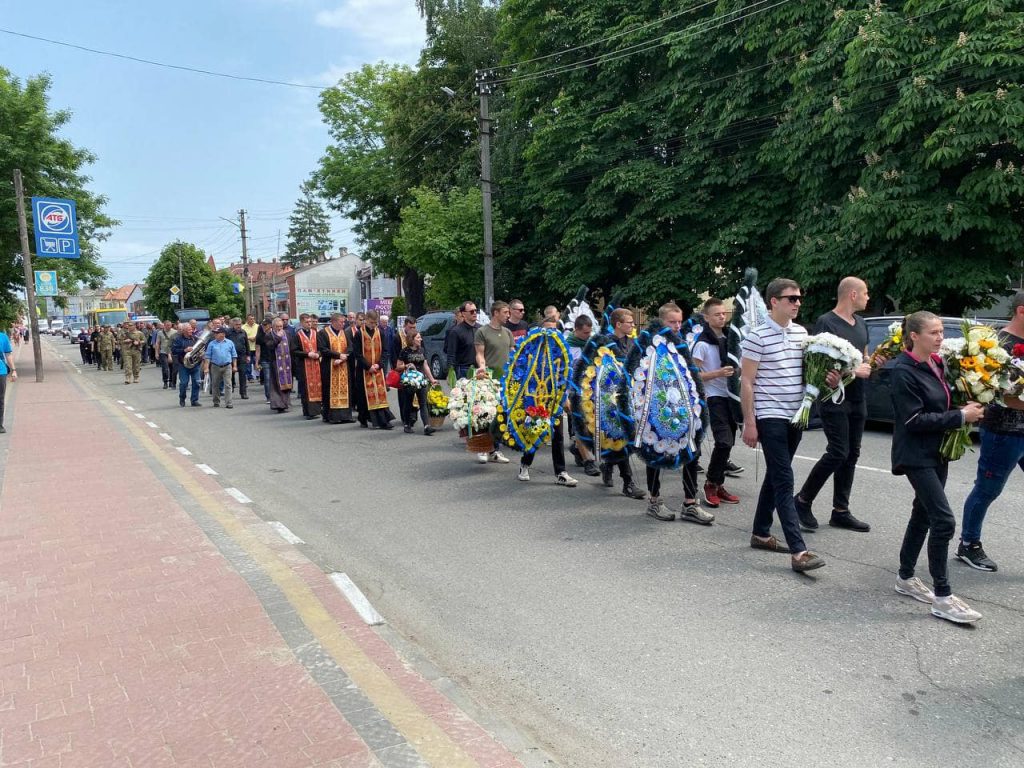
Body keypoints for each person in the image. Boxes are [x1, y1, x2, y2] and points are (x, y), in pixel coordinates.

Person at [890, 311, 985, 623]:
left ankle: (905, 578)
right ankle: (943, 597)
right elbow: (913, 420)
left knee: (923, 514)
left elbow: (940, 403)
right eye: (933, 332)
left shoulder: (937, 362)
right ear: (914, 336)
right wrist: (960, 417)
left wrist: (964, 407)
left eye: (941, 331)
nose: (940, 337)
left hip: (937, 452)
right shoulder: (903, 371)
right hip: (915, 454)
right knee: (943, 522)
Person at [741, 278, 825, 573]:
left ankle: (760, 533)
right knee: (784, 479)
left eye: (799, 298)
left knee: (777, 474)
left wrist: (828, 377)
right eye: (791, 298)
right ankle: (799, 551)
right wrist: (749, 422)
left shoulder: (802, 333)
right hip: (770, 414)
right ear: (774, 301)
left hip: (795, 414)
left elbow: (807, 371)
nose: (797, 303)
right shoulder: (757, 336)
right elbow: (747, 382)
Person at [793, 277, 873, 533]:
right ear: (852, 294)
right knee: (838, 451)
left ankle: (841, 511)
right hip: (833, 397)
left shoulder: (861, 323)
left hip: (857, 397)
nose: (868, 297)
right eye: (865, 293)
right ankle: (802, 500)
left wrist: (872, 362)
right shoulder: (827, 322)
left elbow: (864, 355)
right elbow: (820, 362)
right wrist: (852, 372)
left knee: (852, 454)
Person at [628, 304, 713, 524]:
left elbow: (691, 375)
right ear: (661, 321)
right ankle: (654, 500)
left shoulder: (681, 346)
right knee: (655, 452)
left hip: (682, 410)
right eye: (672, 322)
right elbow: (635, 377)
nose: (676, 326)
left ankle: (690, 503)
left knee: (691, 452)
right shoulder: (648, 345)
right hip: (654, 412)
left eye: (679, 322)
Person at [958, 291, 1024, 572]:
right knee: (988, 490)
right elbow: (996, 393)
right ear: (1021, 311)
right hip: (1003, 431)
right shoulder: (996, 344)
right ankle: (968, 544)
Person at [692, 298, 742, 508]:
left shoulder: (732, 338)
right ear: (706, 318)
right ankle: (711, 484)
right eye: (716, 314)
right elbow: (693, 375)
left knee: (729, 441)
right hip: (714, 396)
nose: (722, 317)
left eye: (723, 313)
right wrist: (718, 373)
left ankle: (718, 483)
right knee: (723, 441)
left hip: (732, 395)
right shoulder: (702, 343)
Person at [516, 318, 577, 486]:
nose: (551, 333)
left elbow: (564, 376)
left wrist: (564, 398)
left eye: (554, 330)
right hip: (535, 399)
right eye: (548, 329)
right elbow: (522, 374)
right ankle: (525, 464)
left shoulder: (560, 351)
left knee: (558, 436)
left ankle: (561, 472)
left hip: (554, 400)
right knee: (535, 433)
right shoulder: (532, 349)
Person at [594, 309, 646, 499]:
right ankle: (628, 482)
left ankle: (608, 464)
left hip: (631, 394)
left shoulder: (632, 342)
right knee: (620, 434)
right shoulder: (605, 343)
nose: (633, 325)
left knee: (624, 436)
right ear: (618, 324)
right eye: (629, 322)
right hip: (610, 396)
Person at [350, 310, 395, 429]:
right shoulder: (359, 334)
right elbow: (357, 353)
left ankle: (382, 420)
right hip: (364, 370)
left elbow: (385, 351)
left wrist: (379, 365)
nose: (373, 325)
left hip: (377, 369)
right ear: (366, 320)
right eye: (371, 322)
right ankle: (364, 418)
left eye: (375, 323)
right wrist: (368, 366)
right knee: (363, 396)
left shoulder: (380, 333)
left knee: (380, 394)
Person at [396, 330, 438, 435]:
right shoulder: (404, 351)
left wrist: (432, 379)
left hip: (421, 380)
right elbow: (398, 366)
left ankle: (427, 426)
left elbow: (425, 366)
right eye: (418, 338)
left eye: (420, 337)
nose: (420, 339)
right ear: (412, 339)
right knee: (408, 403)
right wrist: (406, 365)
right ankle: (407, 425)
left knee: (423, 403)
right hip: (409, 381)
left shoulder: (421, 350)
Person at [318, 313, 355, 424]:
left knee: (345, 389)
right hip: (329, 365)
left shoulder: (345, 333)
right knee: (329, 390)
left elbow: (350, 347)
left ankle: (346, 416)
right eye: (341, 322)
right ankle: (331, 416)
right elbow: (323, 349)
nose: (343, 324)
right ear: (333, 322)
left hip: (343, 365)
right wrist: (338, 356)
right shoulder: (323, 333)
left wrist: (344, 357)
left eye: (344, 322)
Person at [291, 314, 323, 419]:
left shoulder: (315, 333)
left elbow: (321, 347)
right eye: (307, 322)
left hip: (316, 364)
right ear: (301, 323)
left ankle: (317, 410)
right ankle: (308, 412)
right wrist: (307, 354)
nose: (309, 324)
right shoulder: (298, 335)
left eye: (310, 322)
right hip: (304, 365)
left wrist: (318, 354)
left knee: (317, 386)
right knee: (306, 389)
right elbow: (294, 351)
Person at [475, 301, 514, 379]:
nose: (508, 315)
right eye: (505, 312)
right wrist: (482, 366)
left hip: (507, 376)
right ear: (496, 313)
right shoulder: (482, 331)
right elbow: (480, 354)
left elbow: (513, 353)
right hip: (489, 376)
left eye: (508, 313)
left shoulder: (508, 332)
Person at [203, 326, 238, 409]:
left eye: (217, 333)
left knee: (228, 384)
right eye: (215, 333)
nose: (215, 335)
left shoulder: (230, 343)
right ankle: (216, 401)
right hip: (215, 366)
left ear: (223, 334)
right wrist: (206, 368)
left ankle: (229, 403)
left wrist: (235, 366)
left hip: (227, 366)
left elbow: (234, 355)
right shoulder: (211, 343)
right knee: (215, 384)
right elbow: (207, 357)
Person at [264, 317, 293, 413]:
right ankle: (278, 405)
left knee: (287, 384)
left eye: (281, 326)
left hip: (287, 362)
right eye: (277, 326)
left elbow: (291, 346)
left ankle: (286, 403)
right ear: (273, 326)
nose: (279, 328)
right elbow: (270, 346)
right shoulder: (269, 335)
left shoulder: (287, 333)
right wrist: (278, 337)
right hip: (275, 363)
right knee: (277, 385)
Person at [446, 302, 479, 380]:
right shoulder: (456, 331)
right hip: (463, 369)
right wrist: (450, 374)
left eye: (476, 310)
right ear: (463, 314)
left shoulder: (481, 329)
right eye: (471, 311)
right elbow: (451, 355)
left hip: (480, 369)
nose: (474, 313)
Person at [172, 324, 202, 407]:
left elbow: (201, 349)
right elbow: (174, 351)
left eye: (191, 329)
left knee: (197, 382)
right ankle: (182, 398)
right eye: (189, 330)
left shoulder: (195, 339)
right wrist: (184, 350)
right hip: (183, 365)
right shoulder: (178, 339)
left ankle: (194, 400)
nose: (191, 331)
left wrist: (201, 354)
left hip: (195, 364)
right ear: (184, 331)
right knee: (184, 383)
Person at [226, 318, 249, 400]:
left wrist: (248, 355)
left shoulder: (243, 332)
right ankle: (230, 390)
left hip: (242, 356)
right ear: (233, 325)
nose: (238, 326)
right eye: (237, 324)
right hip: (230, 356)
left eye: (240, 324)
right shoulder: (228, 332)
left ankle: (243, 393)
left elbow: (247, 344)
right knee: (230, 375)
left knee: (243, 375)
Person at [0, 328, 16, 434]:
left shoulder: (3, 337)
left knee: (0, 399)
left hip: (1, 372)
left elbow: (8, 354)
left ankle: (0, 425)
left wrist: (13, 370)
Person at [155, 321, 178, 390]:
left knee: (172, 368)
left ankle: (171, 381)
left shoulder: (175, 332)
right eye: (167, 325)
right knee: (165, 368)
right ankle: (165, 382)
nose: (169, 326)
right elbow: (157, 343)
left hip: (172, 352)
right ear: (164, 325)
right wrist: (156, 353)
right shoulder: (160, 333)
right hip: (163, 352)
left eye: (170, 325)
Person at [242, 314, 259, 381]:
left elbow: (260, 334)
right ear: (247, 320)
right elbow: (242, 336)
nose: (252, 320)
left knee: (256, 361)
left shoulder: (257, 326)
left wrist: (255, 338)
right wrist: (249, 338)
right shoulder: (243, 327)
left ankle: (258, 375)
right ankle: (250, 377)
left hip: (256, 347)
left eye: (253, 319)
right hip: (248, 348)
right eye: (251, 319)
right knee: (248, 363)